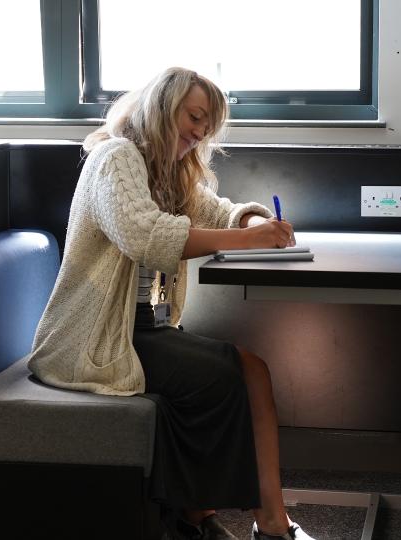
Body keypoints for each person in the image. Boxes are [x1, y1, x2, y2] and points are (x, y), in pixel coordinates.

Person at [28, 67, 314, 540]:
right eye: (195, 116)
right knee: (236, 372)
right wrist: (251, 239)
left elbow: (217, 211)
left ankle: (207, 517)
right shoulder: (114, 159)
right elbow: (145, 236)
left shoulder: (169, 172)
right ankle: (257, 523)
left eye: (207, 125)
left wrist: (254, 219)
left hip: (140, 330)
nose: (201, 131)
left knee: (244, 371)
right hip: (92, 339)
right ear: (162, 107)